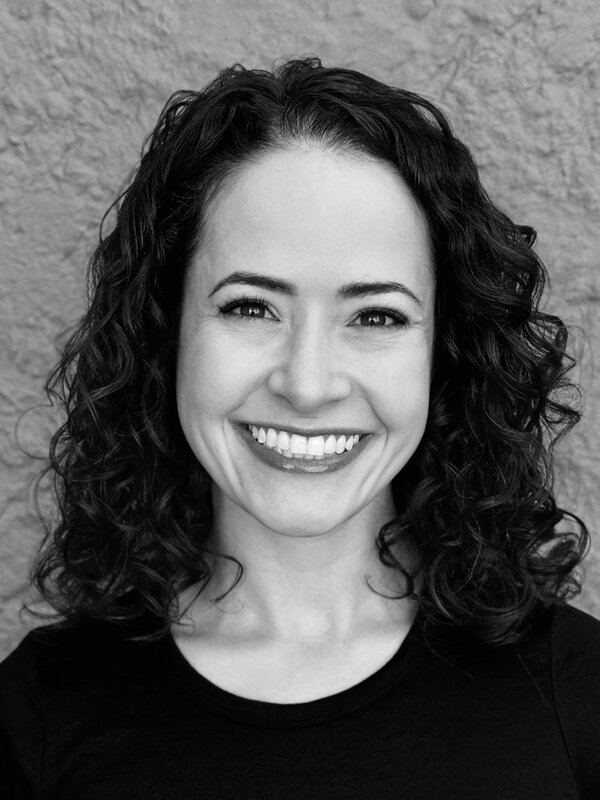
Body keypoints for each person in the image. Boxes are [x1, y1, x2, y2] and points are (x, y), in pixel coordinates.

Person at [0, 57, 598, 799]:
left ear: (445, 351)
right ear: (167, 331)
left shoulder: (579, 694)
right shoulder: (37, 719)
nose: (307, 385)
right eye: (251, 307)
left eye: (375, 316)